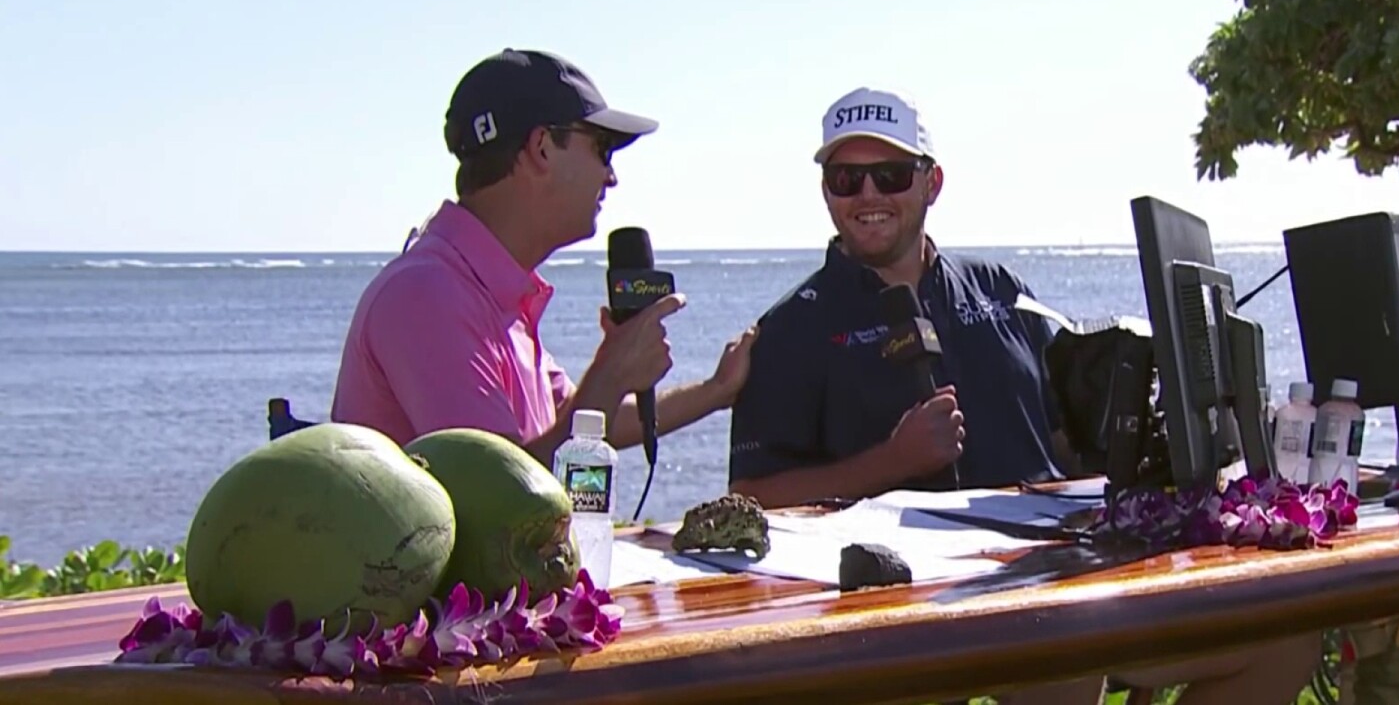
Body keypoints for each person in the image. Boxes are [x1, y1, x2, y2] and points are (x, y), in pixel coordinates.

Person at [726, 86, 1321, 705]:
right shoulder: (791, 329)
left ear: (931, 184)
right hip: (914, 613)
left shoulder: (999, 288)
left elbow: (1071, 431)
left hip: (1062, 568)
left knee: (1283, 644)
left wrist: (1156, 442)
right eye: (847, 179)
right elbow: (750, 498)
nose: (869, 196)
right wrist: (890, 464)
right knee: (1060, 661)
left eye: (891, 175)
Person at [331, 48, 756, 467]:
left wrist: (718, 389)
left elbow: (585, 420)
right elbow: (503, 496)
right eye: (602, 148)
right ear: (542, 147)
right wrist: (611, 371)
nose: (612, 176)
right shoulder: (425, 295)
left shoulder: (483, 289)